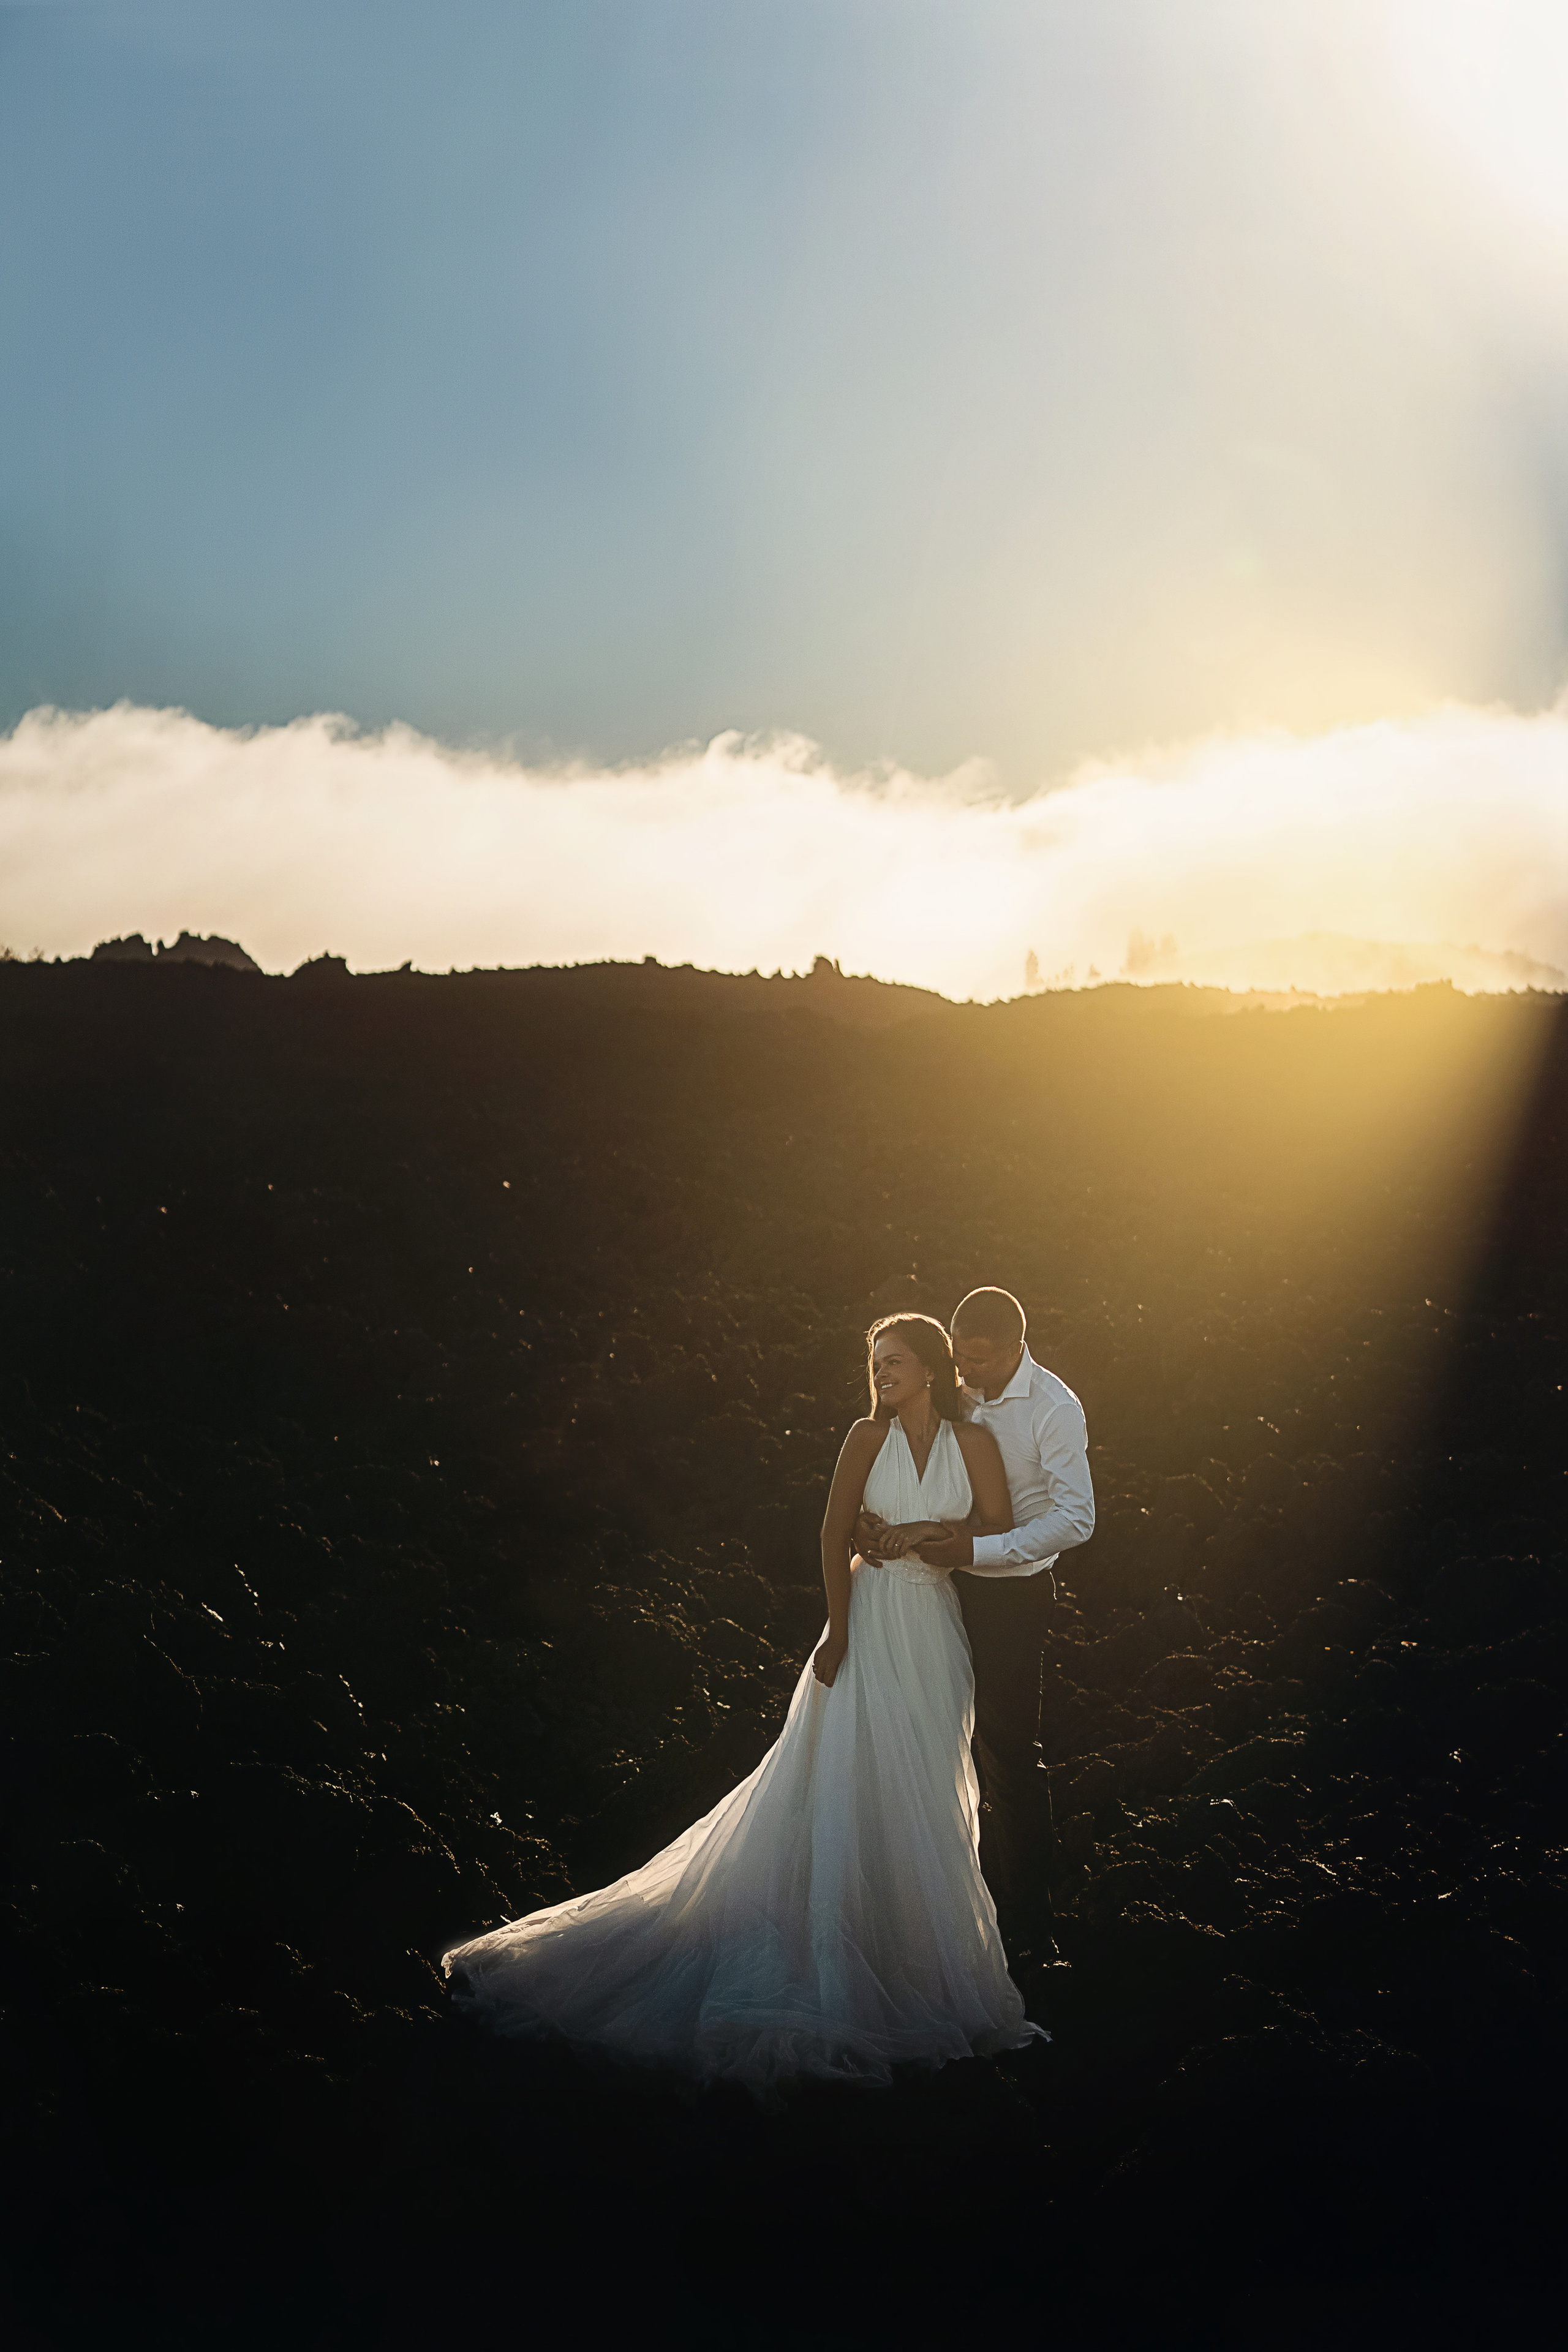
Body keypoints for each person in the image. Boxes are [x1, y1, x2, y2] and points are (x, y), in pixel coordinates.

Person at [442, 1314, 1046, 2095]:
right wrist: (835, 1631)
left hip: (934, 1629)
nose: (882, 1374)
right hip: (866, 1620)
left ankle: (905, 1956)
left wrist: (934, 1529)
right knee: (837, 1781)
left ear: (931, 1367)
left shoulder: (974, 1445)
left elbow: (997, 1524)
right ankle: (829, 1956)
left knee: (923, 1786)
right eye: (875, 1364)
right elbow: (832, 1536)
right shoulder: (865, 1438)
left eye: (895, 1361)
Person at [856, 1287, 1095, 1961]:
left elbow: (1078, 1519)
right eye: (960, 1359)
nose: (969, 1375)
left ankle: (1027, 1920)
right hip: (932, 1587)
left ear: (1018, 1346)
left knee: (1008, 1752)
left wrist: (978, 1552)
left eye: (983, 1363)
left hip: (1012, 1599)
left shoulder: (1054, 1409)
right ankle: (928, 1897)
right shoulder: (953, 1390)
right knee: (925, 1737)